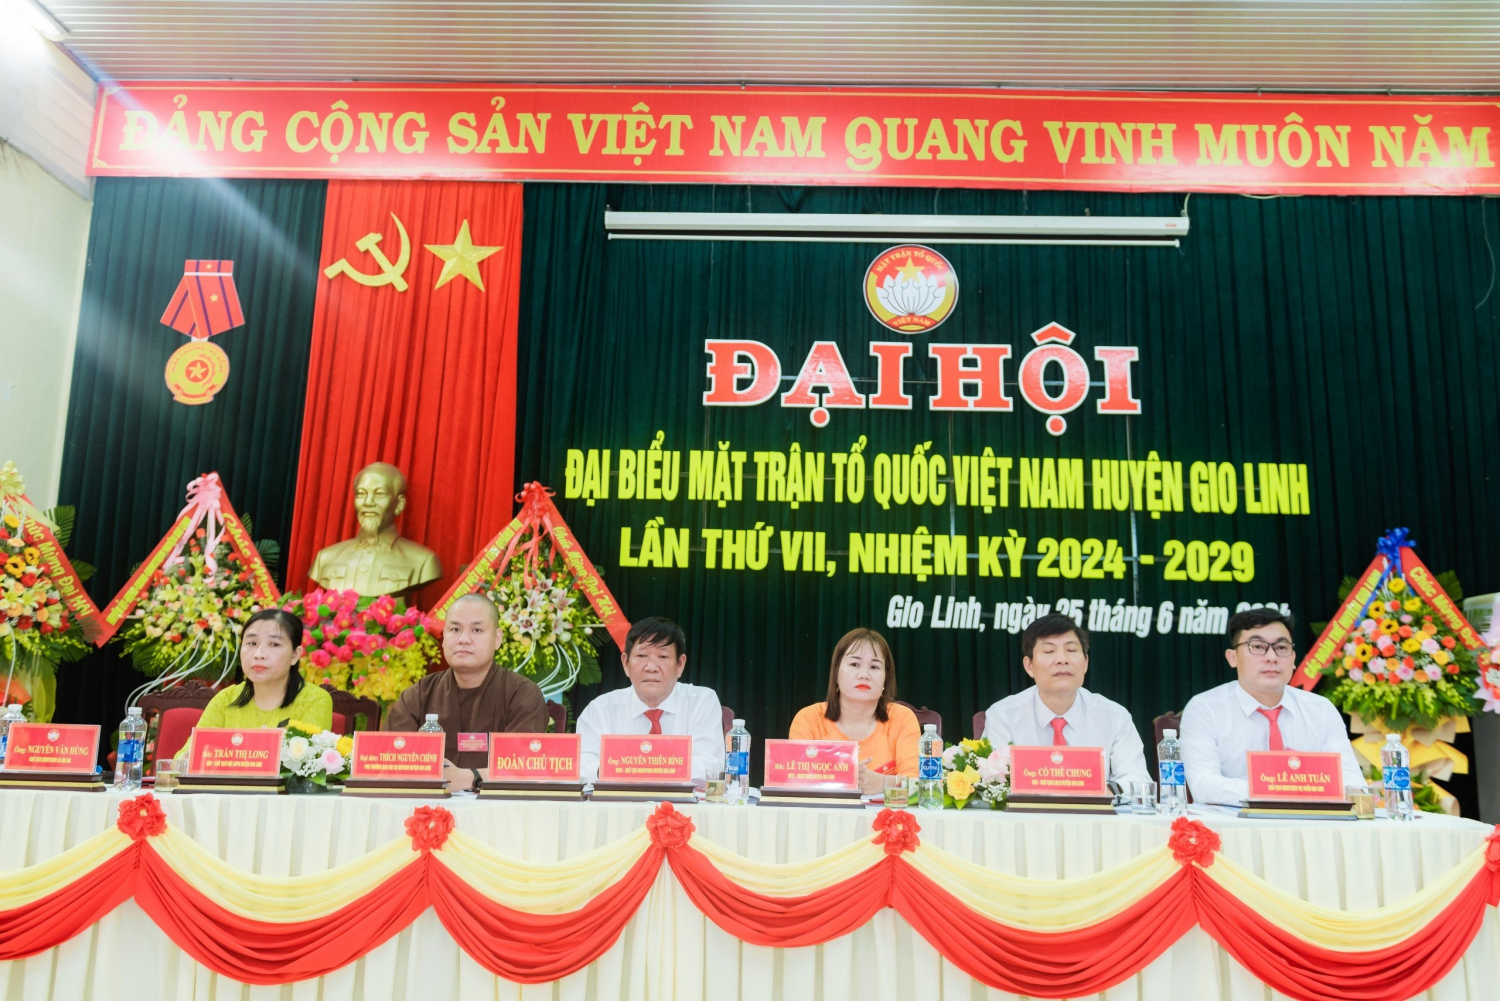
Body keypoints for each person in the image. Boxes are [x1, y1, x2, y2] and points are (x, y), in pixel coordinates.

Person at [1179, 607, 1364, 805]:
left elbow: (1351, 781)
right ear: (1233, 658)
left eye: (1281, 648)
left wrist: (1354, 793)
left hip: (1310, 821)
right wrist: (1279, 789)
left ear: (1293, 659)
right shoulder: (1205, 708)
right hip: (1235, 821)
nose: (1271, 657)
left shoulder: (1321, 710)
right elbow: (1203, 785)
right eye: (1257, 646)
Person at [388, 592, 548, 792]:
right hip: (428, 805)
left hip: (497, 807)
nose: (464, 639)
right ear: (444, 638)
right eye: (455, 629)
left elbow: (527, 766)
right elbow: (390, 759)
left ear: (497, 639)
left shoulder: (522, 695)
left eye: (477, 630)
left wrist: (468, 778)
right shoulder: (419, 695)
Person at [981, 613, 1150, 787]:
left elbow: (1137, 779)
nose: (1062, 660)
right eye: (1049, 651)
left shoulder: (1114, 717)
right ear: (1029, 666)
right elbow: (992, 780)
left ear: (1085, 663)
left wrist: (1106, 791)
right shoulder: (1003, 716)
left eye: (1071, 650)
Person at [577, 617, 726, 783]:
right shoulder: (600, 709)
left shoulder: (702, 702)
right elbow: (583, 768)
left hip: (683, 800)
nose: (651, 667)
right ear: (626, 663)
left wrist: (634, 767)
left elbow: (709, 766)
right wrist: (650, 768)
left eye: (663, 656)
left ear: (680, 664)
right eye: (642, 655)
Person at [176, 608, 334, 758]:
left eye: (274, 644)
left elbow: (305, 762)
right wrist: (190, 757)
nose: (259, 654)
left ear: (295, 655)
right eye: (252, 643)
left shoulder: (314, 700)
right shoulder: (225, 699)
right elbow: (183, 758)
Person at [789, 627, 920, 794]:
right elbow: (797, 781)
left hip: (888, 811)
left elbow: (918, 783)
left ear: (886, 678)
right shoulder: (808, 719)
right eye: (854, 664)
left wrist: (884, 783)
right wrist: (842, 778)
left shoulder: (902, 718)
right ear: (836, 674)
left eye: (874, 667)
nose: (864, 674)